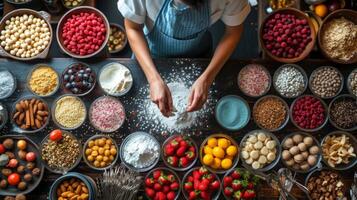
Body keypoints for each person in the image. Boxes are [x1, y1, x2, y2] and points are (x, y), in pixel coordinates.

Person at [118, 0, 250, 117]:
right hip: (150, 54)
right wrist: (153, 80)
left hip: (199, 53)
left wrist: (207, 78)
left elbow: (233, 31)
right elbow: (133, 28)